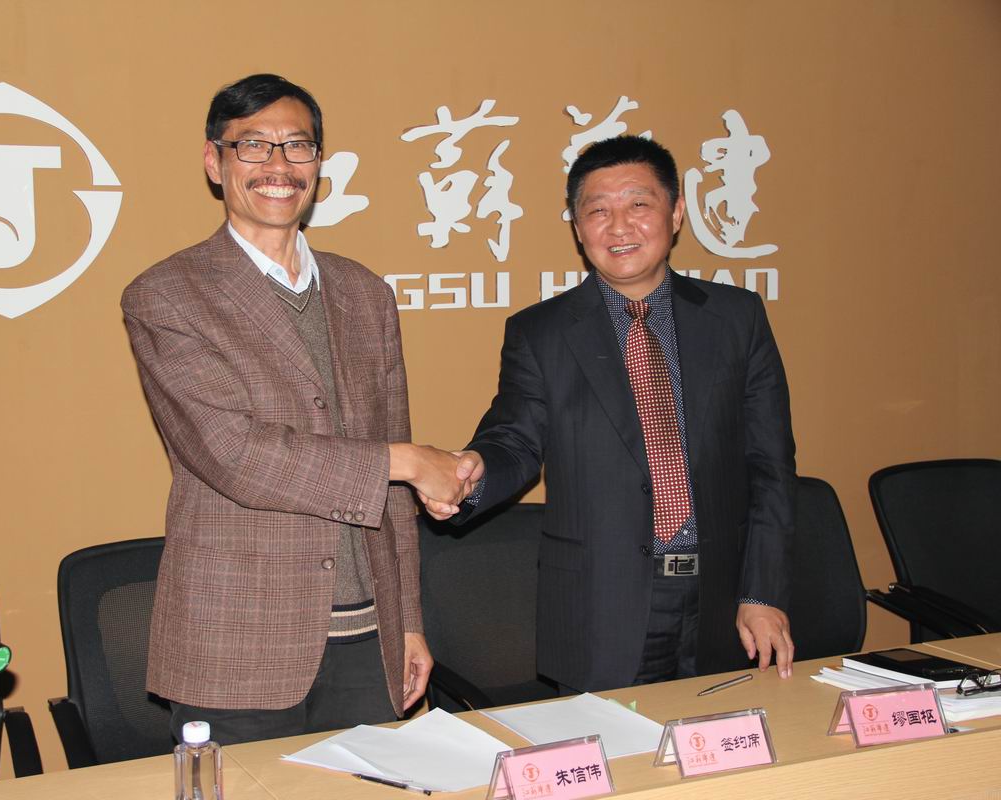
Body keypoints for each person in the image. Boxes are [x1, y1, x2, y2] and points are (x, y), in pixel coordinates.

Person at [122, 74, 468, 744]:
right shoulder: (167, 295)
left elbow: (396, 489)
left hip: (370, 640)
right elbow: (235, 455)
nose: (278, 166)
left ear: (318, 164)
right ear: (214, 162)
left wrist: (408, 621)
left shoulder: (364, 293)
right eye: (253, 146)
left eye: (297, 146)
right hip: (237, 642)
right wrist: (406, 461)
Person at [428, 135, 797, 693]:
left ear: (676, 213)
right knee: (613, 749)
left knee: (724, 745)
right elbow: (514, 441)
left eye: (638, 204)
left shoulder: (735, 318)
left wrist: (762, 592)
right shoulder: (542, 333)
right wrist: (469, 476)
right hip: (602, 604)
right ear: (578, 229)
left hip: (724, 600)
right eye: (598, 211)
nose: (619, 226)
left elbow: (770, 466)